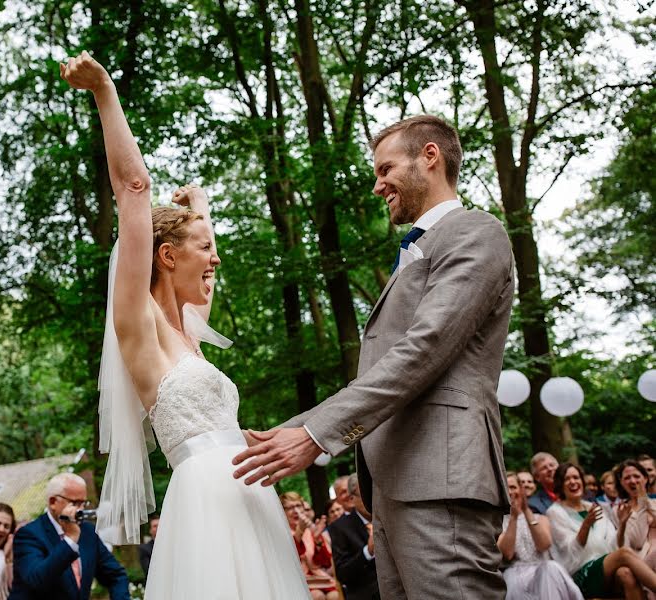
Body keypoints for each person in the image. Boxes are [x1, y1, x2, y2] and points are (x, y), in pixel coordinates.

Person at [59, 51, 309, 599]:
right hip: (203, 501)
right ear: (166, 257)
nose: (216, 260)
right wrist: (104, 90)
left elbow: (204, 267)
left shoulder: (190, 337)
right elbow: (134, 189)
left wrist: (203, 210)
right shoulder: (138, 322)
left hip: (250, 494)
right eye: (204, 249)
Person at [233, 114, 514, 598]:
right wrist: (287, 430)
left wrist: (317, 435)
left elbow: (423, 350)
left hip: (440, 484)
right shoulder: (414, 252)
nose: (378, 184)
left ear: (430, 157)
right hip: (394, 489)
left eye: (385, 170)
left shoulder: (474, 232)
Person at [9, 473, 128, 600]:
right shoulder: (28, 534)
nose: (81, 509)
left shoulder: (88, 532)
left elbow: (116, 576)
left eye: (83, 503)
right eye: (75, 503)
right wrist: (70, 540)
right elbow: (36, 580)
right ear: (53, 502)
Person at [547, 462, 656, 598]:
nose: (573, 482)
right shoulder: (555, 512)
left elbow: (614, 546)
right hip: (581, 572)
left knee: (625, 574)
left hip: (605, 568)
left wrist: (622, 525)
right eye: (567, 479)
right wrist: (585, 526)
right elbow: (570, 554)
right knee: (624, 554)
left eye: (576, 477)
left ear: (582, 481)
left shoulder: (594, 507)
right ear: (559, 484)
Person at [497, 473, 582, 600]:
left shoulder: (540, 518)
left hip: (543, 570)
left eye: (513, 487)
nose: (510, 491)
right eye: (506, 487)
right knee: (512, 580)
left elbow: (543, 545)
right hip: (515, 572)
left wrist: (525, 510)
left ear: (521, 489)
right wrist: (513, 518)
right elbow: (507, 554)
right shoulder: (499, 522)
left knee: (551, 568)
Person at [327, 479, 379, 600]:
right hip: (367, 592)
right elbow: (343, 574)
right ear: (352, 499)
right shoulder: (340, 527)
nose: (372, 499)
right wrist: (368, 551)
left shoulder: (387, 517)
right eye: (366, 495)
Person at [280, 493, 339, 600]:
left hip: (319, 578)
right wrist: (299, 533)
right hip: (297, 580)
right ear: (282, 512)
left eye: (298, 506)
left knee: (334, 596)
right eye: (290, 508)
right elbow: (290, 561)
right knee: (317, 596)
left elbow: (325, 562)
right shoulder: (281, 533)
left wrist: (317, 540)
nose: (296, 511)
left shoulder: (311, 531)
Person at [614, 459, 656, 592]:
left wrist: (643, 500)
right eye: (627, 478)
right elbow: (636, 541)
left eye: (637, 476)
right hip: (640, 562)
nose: (632, 481)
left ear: (645, 478)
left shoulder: (654, 502)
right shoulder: (619, 510)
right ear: (621, 483)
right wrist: (623, 524)